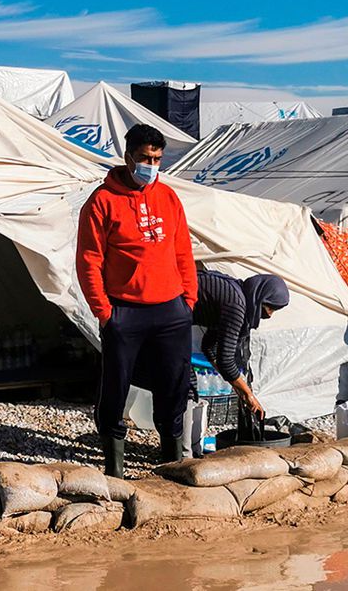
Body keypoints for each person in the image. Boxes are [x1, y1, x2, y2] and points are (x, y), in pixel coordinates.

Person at [77, 124, 198, 477]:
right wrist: (104, 311)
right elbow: (89, 260)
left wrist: (187, 300)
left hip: (171, 309)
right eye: (146, 158)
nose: (152, 165)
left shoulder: (169, 197)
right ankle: (114, 468)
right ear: (129, 157)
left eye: (158, 159)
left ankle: (170, 463)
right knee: (115, 387)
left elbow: (183, 251)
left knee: (173, 385)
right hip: (124, 310)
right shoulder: (102, 201)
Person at [191, 270, 290, 419]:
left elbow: (209, 345)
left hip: (172, 317)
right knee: (185, 384)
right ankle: (178, 440)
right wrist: (248, 394)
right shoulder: (236, 305)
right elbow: (226, 361)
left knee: (185, 383)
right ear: (260, 298)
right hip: (162, 312)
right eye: (270, 307)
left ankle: (179, 436)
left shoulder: (237, 295)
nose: (269, 314)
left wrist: (235, 384)